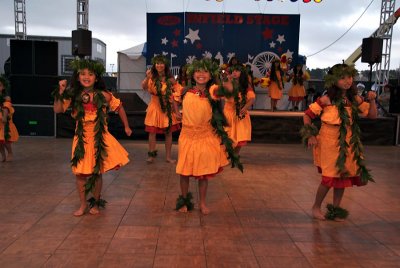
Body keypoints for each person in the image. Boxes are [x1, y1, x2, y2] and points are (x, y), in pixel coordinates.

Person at [53, 59, 132, 216]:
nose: (86, 76)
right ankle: (83, 205)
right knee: (80, 173)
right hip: (81, 138)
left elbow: (120, 107)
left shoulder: (104, 95)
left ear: (96, 77)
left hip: (99, 138)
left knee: (96, 173)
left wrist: (127, 126)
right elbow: (58, 109)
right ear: (77, 77)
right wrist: (60, 92)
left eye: (90, 74)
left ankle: (95, 203)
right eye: (82, 74)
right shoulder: (73, 95)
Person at [301, 63, 377, 222]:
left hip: (348, 141)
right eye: (342, 78)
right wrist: (310, 135)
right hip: (329, 140)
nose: (347, 81)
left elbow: (372, 116)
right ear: (333, 80)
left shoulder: (354, 99)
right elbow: (307, 115)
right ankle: (316, 207)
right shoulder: (326, 99)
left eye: (349, 77)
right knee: (328, 178)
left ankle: (335, 210)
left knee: (341, 177)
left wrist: (372, 100)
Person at [175, 58, 242, 215]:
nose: (201, 74)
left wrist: (227, 79)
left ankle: (202, 203)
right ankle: (184, 201)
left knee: (203, 172)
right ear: (192, 75)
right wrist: (176, 112)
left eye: (205, 71)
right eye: (198, 71)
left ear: (210, 75)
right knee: (184, 171)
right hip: (187, 136)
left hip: (205, 136)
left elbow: (229, 90)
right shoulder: (185, 91)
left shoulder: (212, 91)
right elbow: (174, 99)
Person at [141, 55, 182, 163]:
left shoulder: (171, 79)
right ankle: (151, 155)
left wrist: (176, 111)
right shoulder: (151, 77)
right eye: (157, 63)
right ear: (155, 65)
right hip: (154, 106)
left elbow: (176, 94)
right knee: (152, 132)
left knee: (168, 132)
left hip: (167, 107)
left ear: (165, 65)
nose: (159, 65)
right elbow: (144, 87)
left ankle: (168, 157)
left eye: (161, 63)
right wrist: (147, 77)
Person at [223, 64, 255, 155]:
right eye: (233, 71)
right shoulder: (228, 82)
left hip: (240, 113)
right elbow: (225, 93)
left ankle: (235, 155)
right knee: (227, 135)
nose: (234, 72)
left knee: (240, 136)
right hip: (228, 112)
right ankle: (227, 154)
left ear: (242, 73)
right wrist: (228, 80)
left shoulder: (245, 85)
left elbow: (252, 98)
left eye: (237, 71)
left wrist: (245, 108)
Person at [0, 74, 19, 162]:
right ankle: (3, 154)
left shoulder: (6, 98)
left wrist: (4, 117)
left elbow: (6, 107)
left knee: (6, 139)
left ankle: (10, 153)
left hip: (5, 122)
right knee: (0, 141)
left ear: (3, 87)